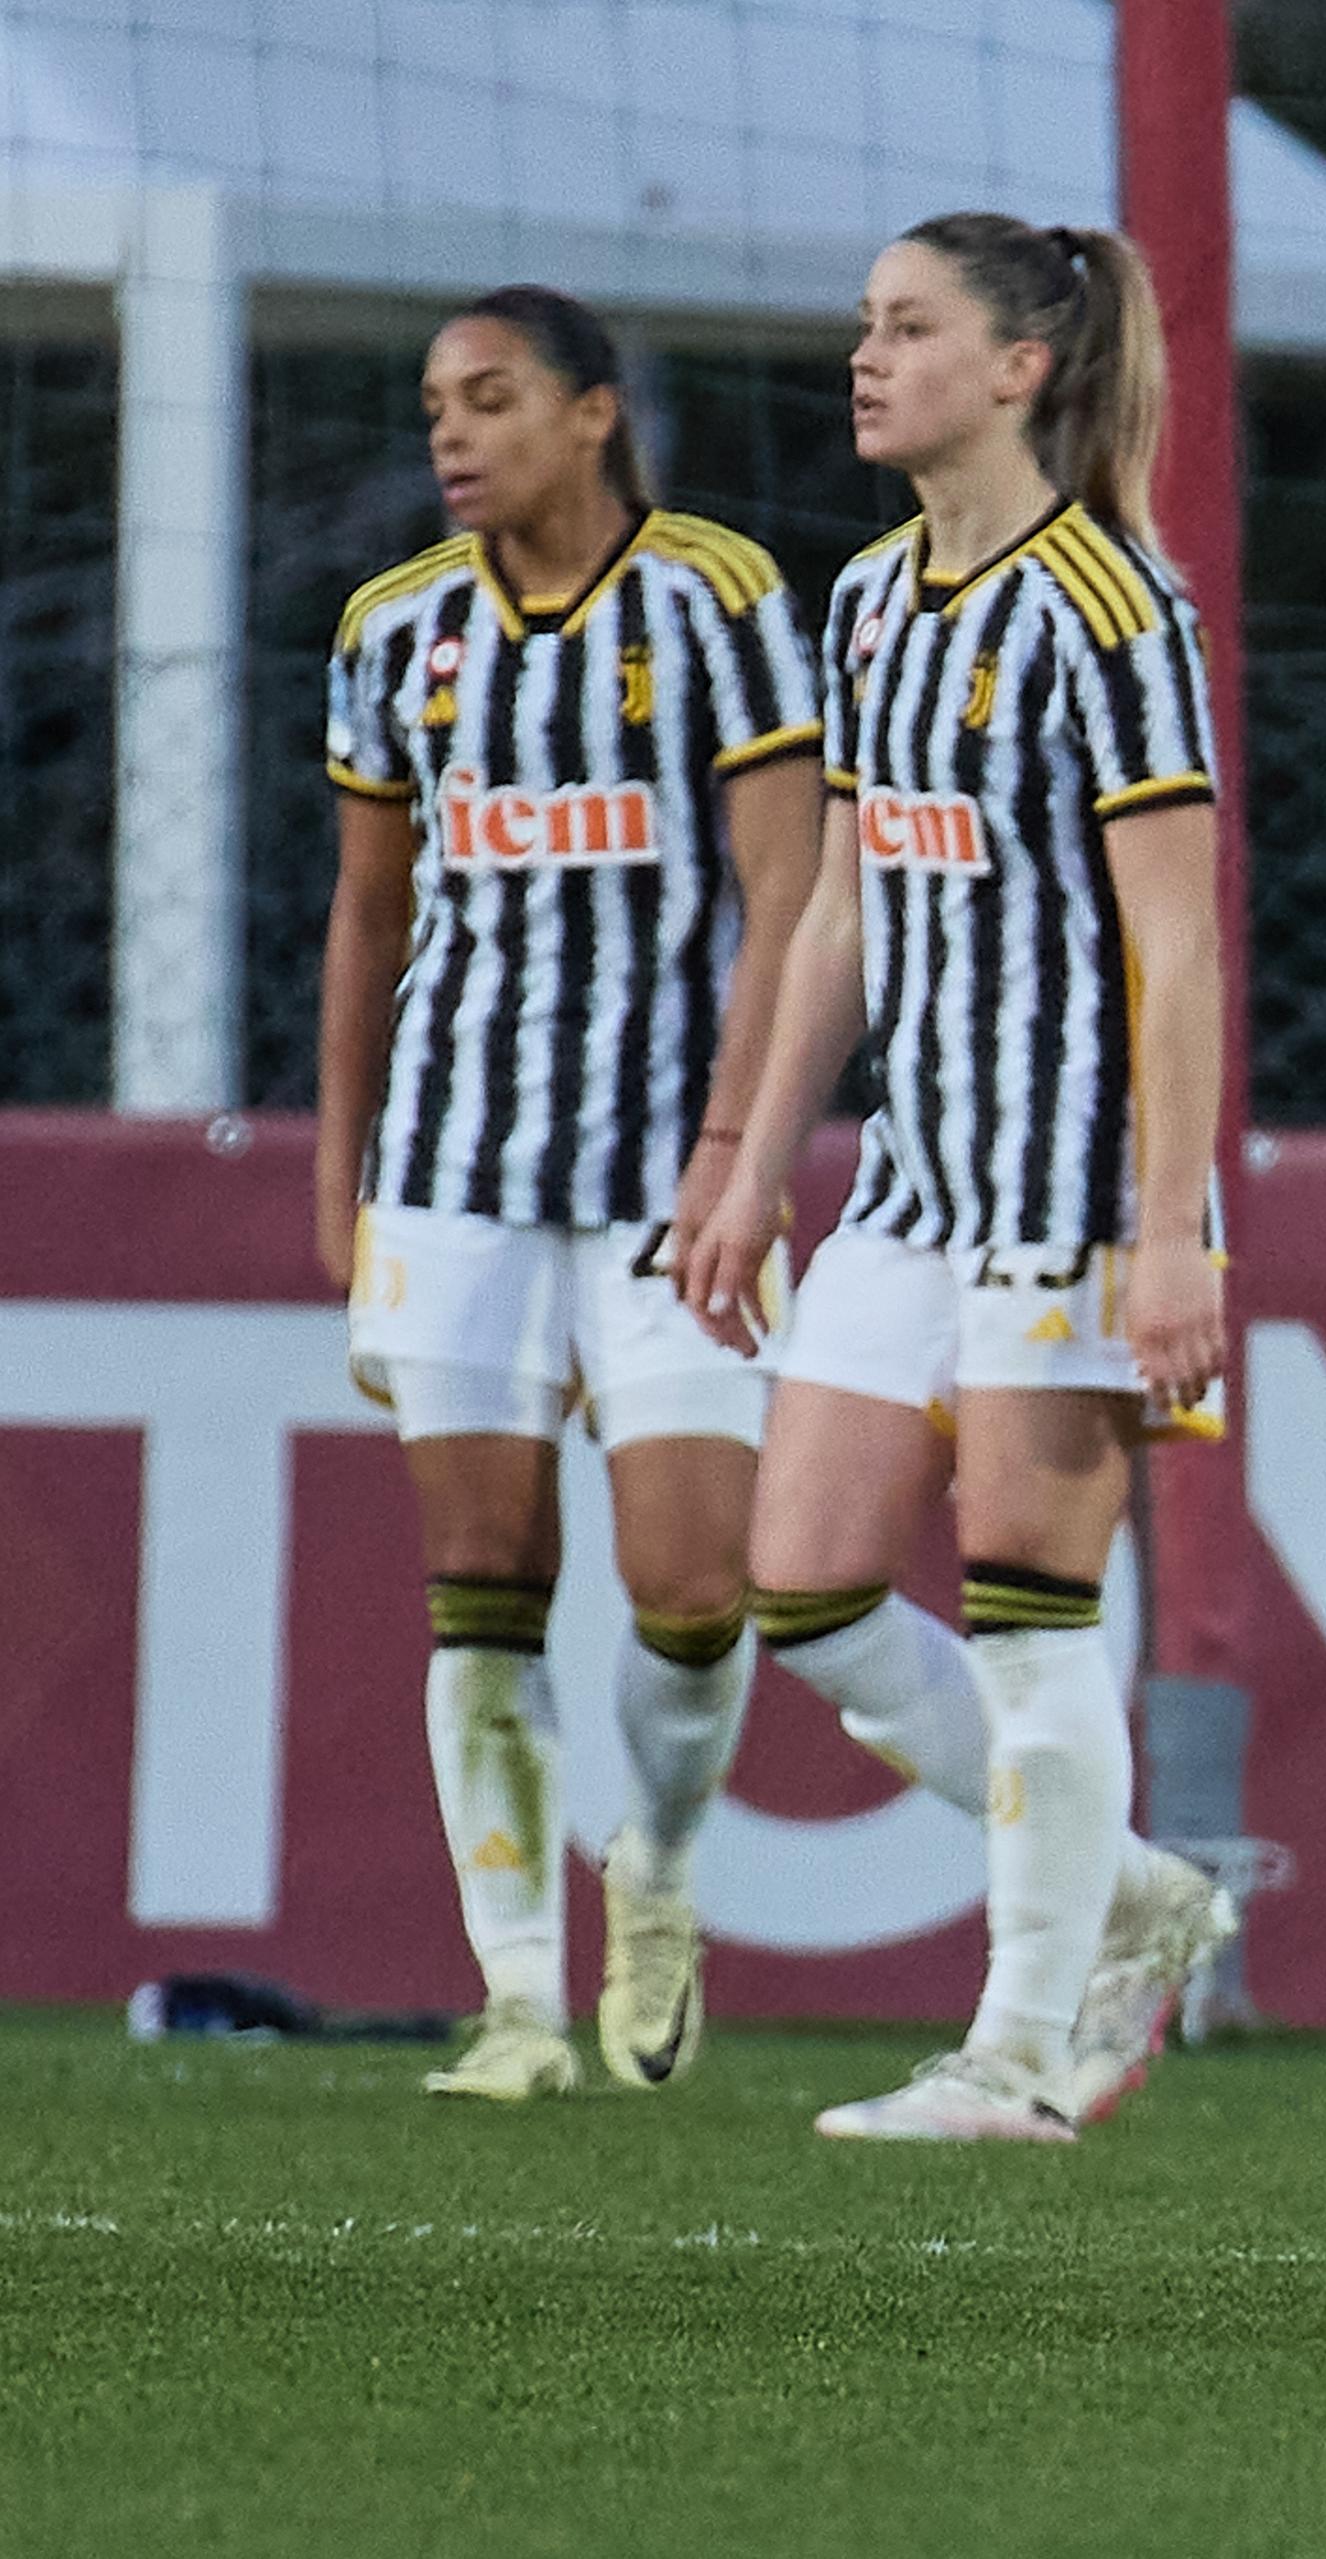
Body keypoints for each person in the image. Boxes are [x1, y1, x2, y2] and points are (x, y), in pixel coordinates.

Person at [676, 215, 1237, 2143]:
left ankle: (1015, 2051)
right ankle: (1145, 1904)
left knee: (1026, 1612)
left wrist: (1168, 1233)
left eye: (909, 327)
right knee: (806, 1588)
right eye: (864, 324)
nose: (867, 356)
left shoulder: (1114, 610)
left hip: (1078, 1184)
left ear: (1020, 370)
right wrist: (754, 1160)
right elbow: (839, 904)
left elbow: (1179, 946)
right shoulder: (871, 600)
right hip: (913, 1179)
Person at [318, 286, 823, 2101]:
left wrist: (733, 1154)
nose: (454, 431)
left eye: (494, 397)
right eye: (437, 401)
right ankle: (519, 1994)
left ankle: (662, 1867)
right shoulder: (397, 633)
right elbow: (370, 918)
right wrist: (342, 1174)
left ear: (595, 413)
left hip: (664, 1183)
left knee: (695, 1584)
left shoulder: (719, 600)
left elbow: (790, 897)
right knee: (483, 1578)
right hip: (455, 1173)